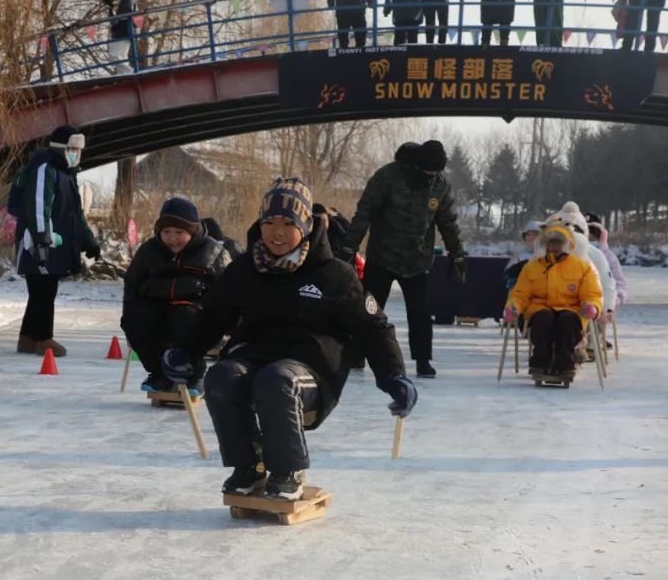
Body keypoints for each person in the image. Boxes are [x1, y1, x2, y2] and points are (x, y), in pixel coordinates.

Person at [159, 177, 416, 500]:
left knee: (277, 379)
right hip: (256, 355)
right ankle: (249, 466)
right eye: (269, 222)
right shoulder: (246, 270)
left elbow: (373, 326)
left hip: (312, 368)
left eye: (287, 223)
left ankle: (288, 470)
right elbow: (213, 316)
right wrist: (185, 352)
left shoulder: (333, 274)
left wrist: (393, 375)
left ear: (306, 225)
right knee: (221, 376)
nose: (276, 232)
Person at [341, 141, 465, 379]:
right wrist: (349, 245)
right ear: (417, 165)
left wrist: (457, 253)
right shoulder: (387, 177)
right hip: (382, 256)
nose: (431, 175)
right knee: (370, 309)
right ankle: (357, 354)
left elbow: (447, 222)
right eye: (428, 171)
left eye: (435, 172)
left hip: (417, 260)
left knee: (420, 313)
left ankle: (422, 360)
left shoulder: (440, 186)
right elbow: (364, 212)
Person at [122, 198, 231, 395]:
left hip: (195, 312)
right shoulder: (149, 251)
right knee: (136, 320)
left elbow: (227, 291)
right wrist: (129, 322)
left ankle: (193, 375)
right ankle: (159, 373)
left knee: (184, 318)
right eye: (167, 232)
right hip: (157, 306)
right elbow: (132, 286)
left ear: (193, 231)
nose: (173, 238)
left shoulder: (213, 252)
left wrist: (226, 326)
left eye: (179, 232)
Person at [10, 125, 101, 357]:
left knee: (44, 289)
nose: (75, 153)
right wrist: (41, 238)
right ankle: (42, 338)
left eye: (78, 150)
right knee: (43, 289)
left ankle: (28, 337)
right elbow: (39, 205)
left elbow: (75, 213)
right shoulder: (44, 168)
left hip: (55, 242)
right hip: (39, 240)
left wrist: (88, 241)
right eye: (71, 149)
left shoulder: (67, 174)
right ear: (61, 148)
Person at [506, 224, 603, 378]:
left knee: (568, 321)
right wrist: (513, 307)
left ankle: (565, 364)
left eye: (558, 243)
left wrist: (592, 306)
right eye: (550, 243)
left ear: (567, 245)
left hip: (571, 309)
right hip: (539, 308)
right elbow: (520, 294)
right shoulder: (532, 267)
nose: (553, 247)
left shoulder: (582, 267)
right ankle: (540, 362)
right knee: (543, 319)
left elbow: (591, 293)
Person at [584, 212, 629, 308]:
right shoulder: (572, 255)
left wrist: (614, 299)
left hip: (602, 307)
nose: (588, 242)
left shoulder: (609, 257)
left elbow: (620, 283)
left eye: (592, 238)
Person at [104, 0, 136, 74]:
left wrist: (111, 8)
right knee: (121, 57)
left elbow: (121, 16)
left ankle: (130, 73)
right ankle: (123, 75)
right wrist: (111, 7)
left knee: (113, 55)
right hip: (126, 31)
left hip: (122, 31)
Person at [504, 220, 546, 289]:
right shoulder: (519, 254)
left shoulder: (547, 254)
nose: (530, 237)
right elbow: (506, 276)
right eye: (528, 234)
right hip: (520, 293)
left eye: (534, 234)